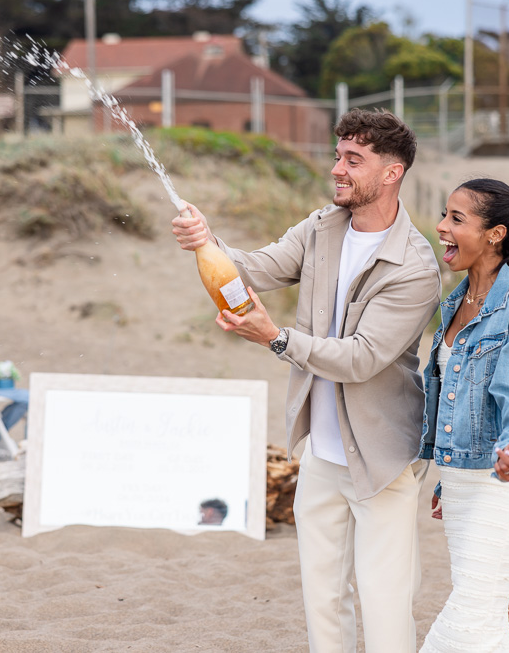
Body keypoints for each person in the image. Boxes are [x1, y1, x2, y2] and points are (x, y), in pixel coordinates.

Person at [172, 109, 441, 652]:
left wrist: (276, 337)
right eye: (337, 156)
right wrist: (206, 242)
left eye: (353, 160)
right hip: (319, 452)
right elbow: (257, 267)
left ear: (391, 173)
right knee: (323, 601)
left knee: (386, 603)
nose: (337, 169)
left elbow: (362, 359)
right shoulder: (322, 226)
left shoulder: (416, 267)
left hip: (382, 460)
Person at [418, 178, 509, 653]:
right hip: (459, 485)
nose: (441, 227)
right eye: (444, 215)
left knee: (467, 622)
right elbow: (456, 401)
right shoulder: (454, 302)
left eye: (456, 218)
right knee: (501, 605)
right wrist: (446, 475)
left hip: (501, 485)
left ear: (494, 233)